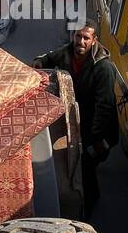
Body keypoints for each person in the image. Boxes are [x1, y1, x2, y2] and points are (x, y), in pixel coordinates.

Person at [33, 22, 117, 215]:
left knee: (85, 164)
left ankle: (88, 206)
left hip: (97, 124)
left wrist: (93, 141)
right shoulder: (68, 52)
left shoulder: (103, 68)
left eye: (86, 38)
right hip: (77, 118)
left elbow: (104, 108)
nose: (80, 41)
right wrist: (39, 62)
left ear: (94, 40)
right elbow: (49, 58)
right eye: (78, 36)